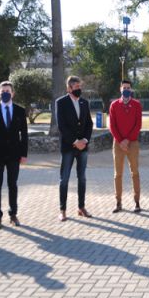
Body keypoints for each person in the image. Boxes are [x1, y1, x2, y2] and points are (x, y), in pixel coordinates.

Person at [0, 81, 29, 229]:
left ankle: (13, 214)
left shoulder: (20, 111)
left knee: (12, 185)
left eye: (7, 91)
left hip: (14, 155)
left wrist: (24, 154)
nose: (5, 93)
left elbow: (25, 135)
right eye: (2, 91)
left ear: (13, 93)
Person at [56, 75, 94, 221]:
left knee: (82, 178)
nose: (79, 89)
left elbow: (89, 124)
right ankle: (63, 210)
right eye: (76, 87)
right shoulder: (61, 102)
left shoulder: (84, 102)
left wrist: (84, 140)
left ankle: (81, 207)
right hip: (68, 147)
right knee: (64, 179)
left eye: (80, 86)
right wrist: (74, 141)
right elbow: (61, 126)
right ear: (69, 88)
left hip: (83, 147)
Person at [109, 79, 142, 213]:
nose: (126, 89)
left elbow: (138, 124)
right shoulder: (114, 105)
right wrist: (120, 140)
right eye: (124, 87)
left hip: (132, 143)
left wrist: (127, 140)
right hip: (118, 143)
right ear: (120, 89)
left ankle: (137, 202)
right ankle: (118, 202)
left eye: (128, 87)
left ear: (131, 89)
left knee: (134, 172)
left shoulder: (137, 105)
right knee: (118, 174)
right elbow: (112, 125)